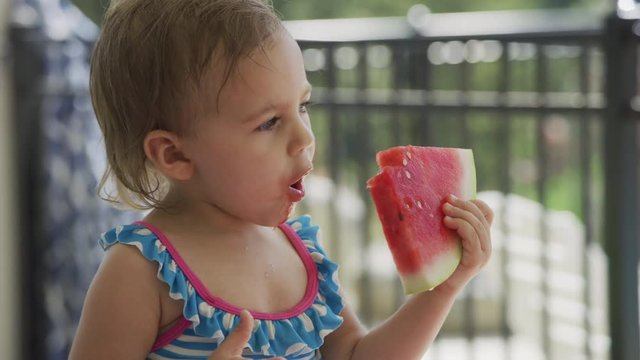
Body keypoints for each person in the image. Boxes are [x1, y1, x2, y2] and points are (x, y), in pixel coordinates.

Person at [69, 0, 494, 359]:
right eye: (269, 122)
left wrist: (441, 290)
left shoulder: (302, 253)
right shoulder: (140, 272)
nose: (305, 138)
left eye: (302, 107)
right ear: (175, 154)